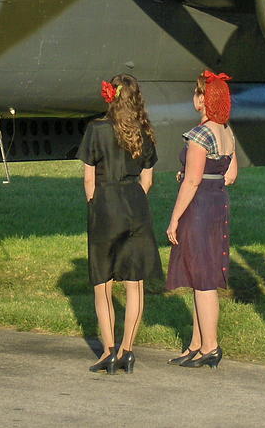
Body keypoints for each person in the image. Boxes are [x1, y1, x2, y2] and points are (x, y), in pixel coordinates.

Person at [76, 74, 162, 374]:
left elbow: (88, 178)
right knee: (134, 282)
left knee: (104, 283)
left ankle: (108, 351)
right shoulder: (145, 132)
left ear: (110, 96)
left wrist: (94, 204)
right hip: (135, 204)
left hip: (105, 203)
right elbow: (148, 179)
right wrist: (134, 198)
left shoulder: (96, 130)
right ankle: (127, 350)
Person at [165, 71, 238, 369]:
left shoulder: (199, 135)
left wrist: (173, 219)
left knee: (203, 279)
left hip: (199, 208)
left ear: (203, 100)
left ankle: (210, 346)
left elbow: (192, 181)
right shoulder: (226, 132)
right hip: (218, 203)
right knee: (201, 276)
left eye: (197, 94)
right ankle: (196, 343)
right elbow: (230, 175)